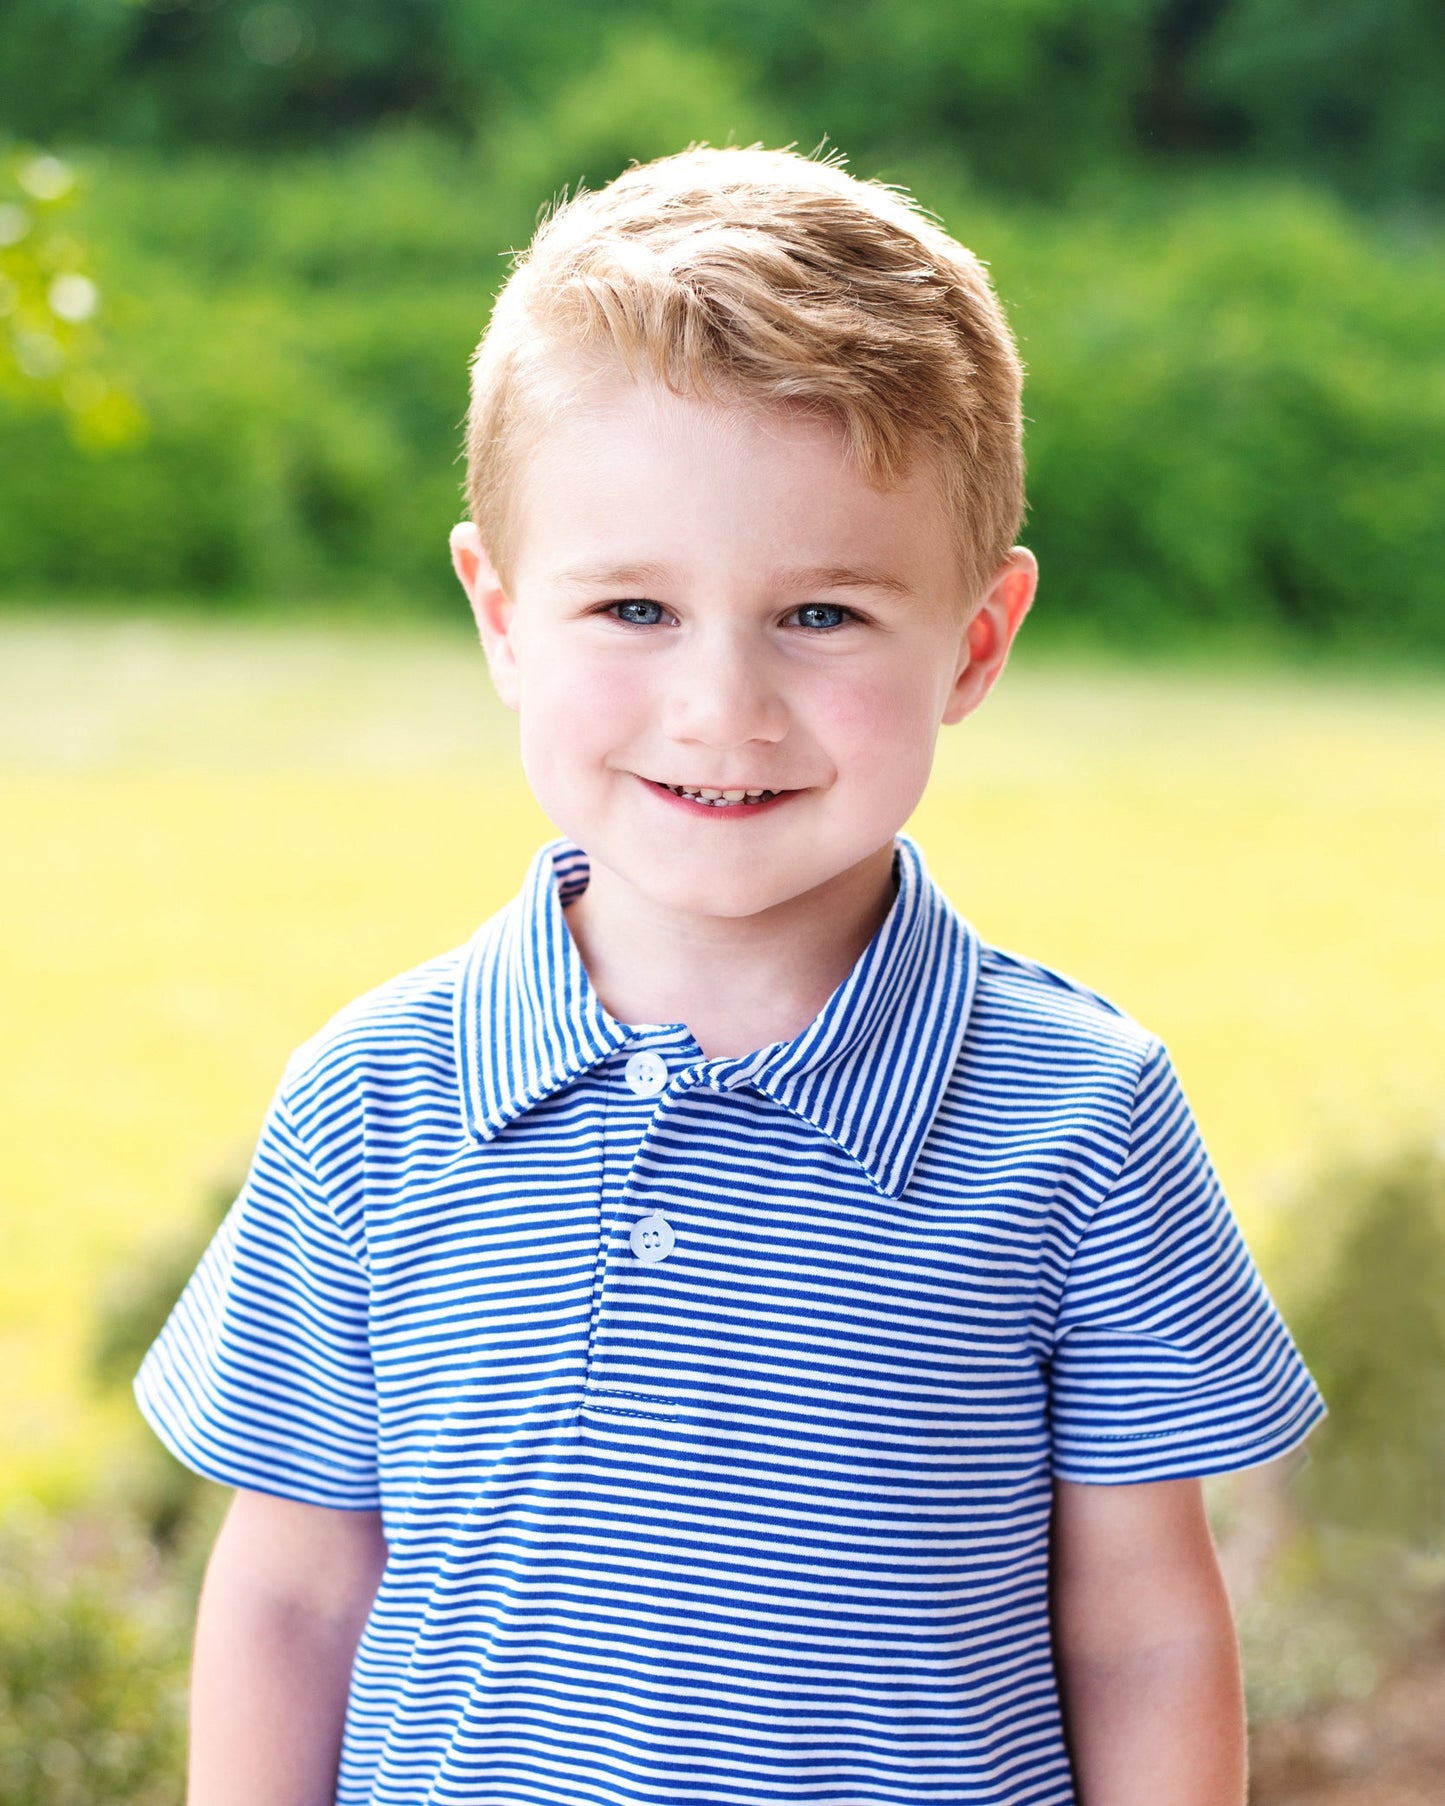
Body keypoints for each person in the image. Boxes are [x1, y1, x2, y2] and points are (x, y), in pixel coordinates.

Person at [135, 144, 1325, 1806]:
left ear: (973, 641)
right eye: (632, 604)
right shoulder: (372, 1099)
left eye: (821, 615)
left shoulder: (1081, 1116)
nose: (723, 708)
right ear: (497, 613)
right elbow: (293, 1594)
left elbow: (1138, 1623)